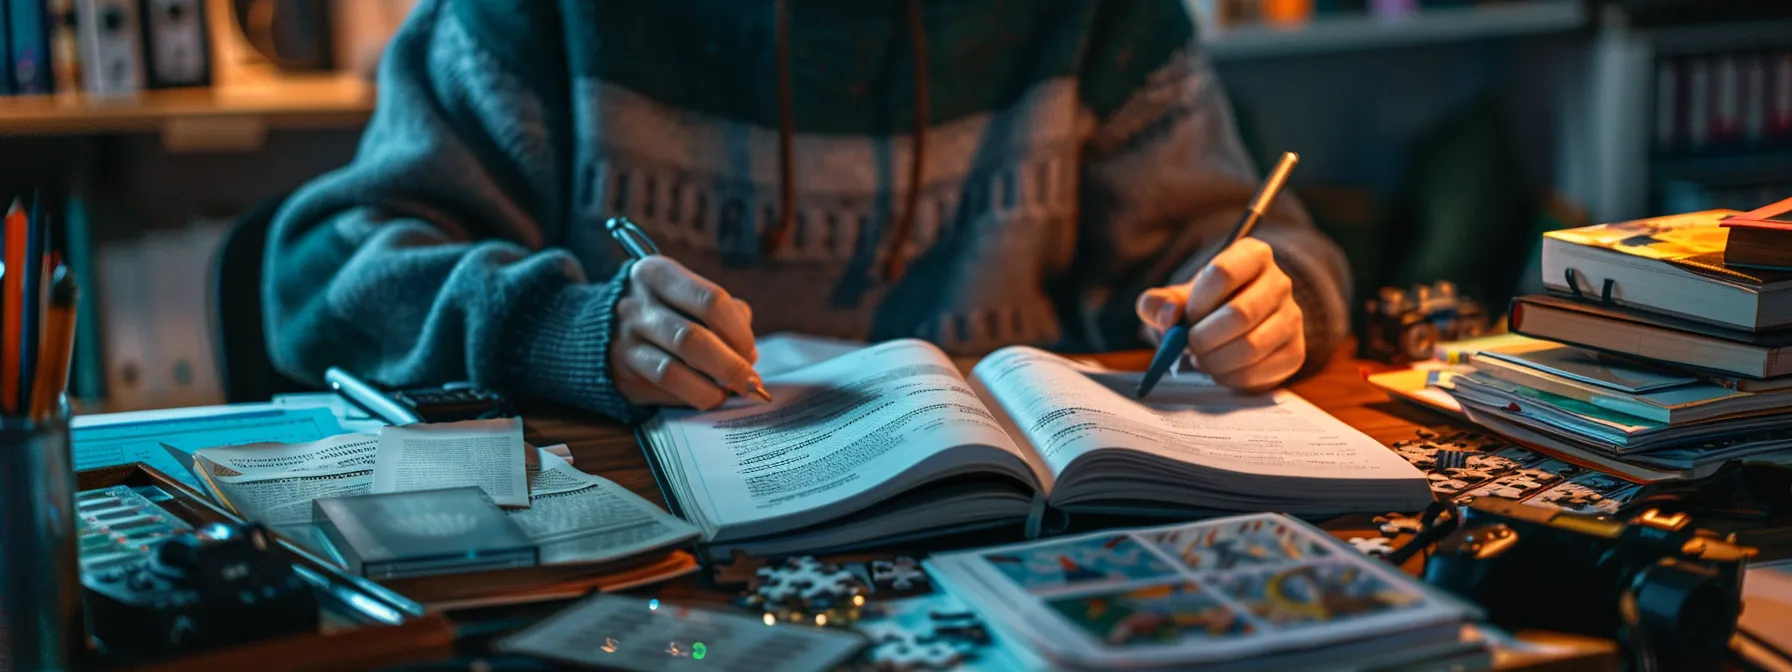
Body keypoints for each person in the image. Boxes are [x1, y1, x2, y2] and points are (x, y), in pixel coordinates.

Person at [264, 0, 1352, 422]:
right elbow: (327, 275)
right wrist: (565, 330)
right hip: (652, 566)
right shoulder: (544, 14)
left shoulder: (1095, 17)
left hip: (1003, 540)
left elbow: (1251, 240)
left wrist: (1267, 298)